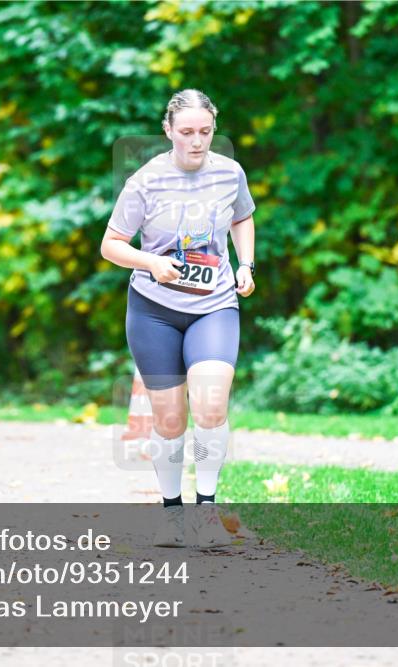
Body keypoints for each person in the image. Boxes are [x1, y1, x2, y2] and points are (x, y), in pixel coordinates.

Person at [101, 89, 256, 548]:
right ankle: (172, 515)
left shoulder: (230, 173)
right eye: (186, 132)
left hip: (214, 304)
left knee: (211, 404)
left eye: (205, 132)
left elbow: (243, 217)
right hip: (154, 311)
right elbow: (112, 244)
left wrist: (245, 264)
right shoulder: (145, 181)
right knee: (169, 420)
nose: (197, 141)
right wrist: (150, 263)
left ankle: (206, 510)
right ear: (168, 131)